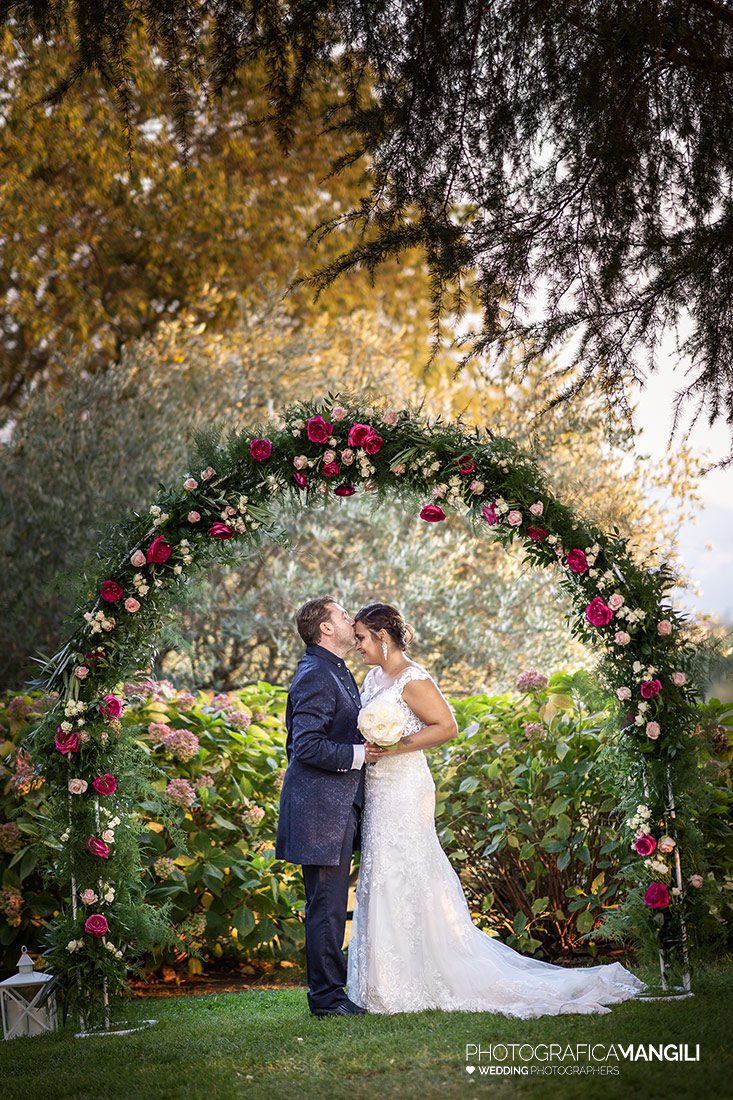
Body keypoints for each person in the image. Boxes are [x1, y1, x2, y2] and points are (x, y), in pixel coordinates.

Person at [346, 601, 647, 1017]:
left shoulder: (413, 678)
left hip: (405, 786)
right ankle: (386, 980)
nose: (357, 645)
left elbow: (446, 726)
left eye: (361, 638)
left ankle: (416, 978)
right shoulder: (374, 676)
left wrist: (398, 746)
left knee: (406, 869)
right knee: (383, 871)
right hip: (379, 786)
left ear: (381, 636)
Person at [275, 596, 385, 1017]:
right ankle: (326, 999)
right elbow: (305, 746)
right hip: (320, 813)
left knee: (331, 905)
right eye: (342, 615)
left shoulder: (334, 669)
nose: (349, 619)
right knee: (326, 907)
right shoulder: (315, 674)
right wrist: (361, 754)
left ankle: (332, 993)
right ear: (324, 628)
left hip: (335, 810)